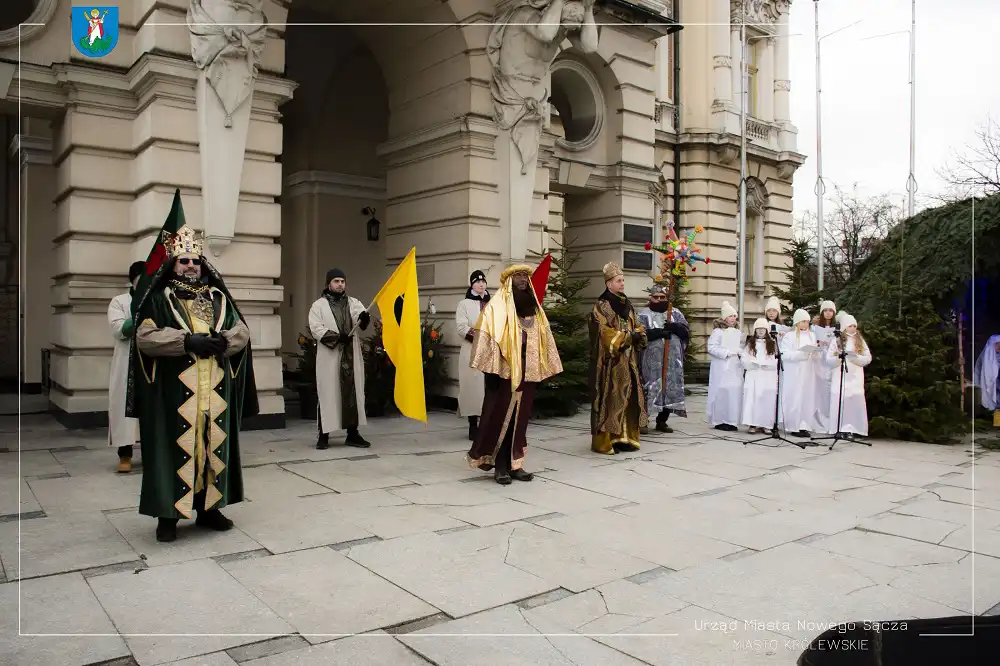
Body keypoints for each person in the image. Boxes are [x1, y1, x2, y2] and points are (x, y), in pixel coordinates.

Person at [128, 226, 257, 543]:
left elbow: (241, 330)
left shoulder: (218, 298)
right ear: (173, 264)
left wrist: (224, 342)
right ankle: (168, 516)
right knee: (175, 448)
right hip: (174, 394)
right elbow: (145, 338)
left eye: (195, 262)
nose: (190, 266)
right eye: (184, 261)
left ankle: (209, 509)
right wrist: (186, 342)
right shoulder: (159, 300)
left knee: (212, 446)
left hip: (214, 391)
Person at [467, 263, 562, 484]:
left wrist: (542, 368)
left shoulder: (534, 308)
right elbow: (486, 337)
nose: (523, 279)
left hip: (527, 374)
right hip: (504, 375)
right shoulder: (496, 308)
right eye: (518, 275)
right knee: (501, 419)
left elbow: (544, 338)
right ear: (509, 280)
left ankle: (515, 464)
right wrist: (492, 371)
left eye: (525, 276)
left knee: (520, 421)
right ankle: (499, 465)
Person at [309, 269, 372, 450]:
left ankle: (353, 434)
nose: (340, 284)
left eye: (342, 281)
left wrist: (363, 318)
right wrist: (337, 337)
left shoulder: (353, 303)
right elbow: (316, 328)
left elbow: (359, 318)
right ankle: (323, 435)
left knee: (353, 391)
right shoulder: (319, 306)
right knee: (328, 393)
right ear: (328, 283)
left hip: (351, 355)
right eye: (336, 281)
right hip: (330, 356)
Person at [589, 262, 647, 454]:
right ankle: (606, 441)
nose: (622, 283)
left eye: (623, 280)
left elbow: (637, 324)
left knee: (629, 399)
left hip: (629, 361)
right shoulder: (602, 305)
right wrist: (627, 337)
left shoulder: (627, 304)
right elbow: (603, 332)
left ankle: (625, 437)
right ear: (608, 284)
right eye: (618, 281)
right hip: (610, 363)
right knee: (610, 401)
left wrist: (639, 334)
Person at [108, 261, 145, 473]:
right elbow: (119, 329)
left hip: (153, 361)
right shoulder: (120, 301)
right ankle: (125, 454)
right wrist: (139, 313)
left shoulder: (159, 300)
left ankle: (152, 454)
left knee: (151, 411)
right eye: (141, 280)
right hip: (127, 363)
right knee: (124, 410)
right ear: (132, 281)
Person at [638, 285, 690, 434]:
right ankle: (643, 420)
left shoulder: (675, 313)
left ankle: (662, 421)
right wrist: (659, 332)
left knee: (668, 387)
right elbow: (639, 334)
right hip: (651, 362)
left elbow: (686, 332)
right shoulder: (643, 314)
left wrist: (675, 327)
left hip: (672, 361)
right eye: (656, 297)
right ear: (651, 298)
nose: (660, 300)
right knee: (650, 387)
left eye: (662, 297)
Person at [824, 312, 872, 440]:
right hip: (840, 376)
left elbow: (868, 357)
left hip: (855, 377)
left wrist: (855, 358)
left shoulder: (860, 341)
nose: (853, 328)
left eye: (854, 326)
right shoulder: (836, 341)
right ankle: (839, 428)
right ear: (845, 327)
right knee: (840, 401)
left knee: (853, 402)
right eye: (850, 326)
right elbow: (829, 359)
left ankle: (853, 428)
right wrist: (839, 358)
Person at [456, 270, 491, 441]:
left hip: (490, 352)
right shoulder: (464, 304)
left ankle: (488, 425)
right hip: (471, 349)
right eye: (477, 282)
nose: (481, 284)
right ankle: (473, 425)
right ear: (472, 285)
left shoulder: (492, 303)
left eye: (483, 281)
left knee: (489, 388)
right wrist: (480, 336)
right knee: (472, 388)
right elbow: (461, 327)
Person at [780, 309, 819, 438]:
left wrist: (815, 353)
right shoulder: (789, 336)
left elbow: (814, 351)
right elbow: (784, 354)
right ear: (797, 322)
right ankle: (793, 425)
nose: (805, 324)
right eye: (803, 321)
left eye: (807, 321)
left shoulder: (812, 335)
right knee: (795, 398)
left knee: (807, 398)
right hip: (794, 372)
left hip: (808, 371)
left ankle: (804, 425)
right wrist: (800, 355)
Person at [707, 301, 743, 431]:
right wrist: (727, 353)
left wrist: (741, 353)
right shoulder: (718, 332)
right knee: (721, 392)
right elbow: (711, 348)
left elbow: (741, 346)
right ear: (724, 317)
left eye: (734, 316)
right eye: (730, 316)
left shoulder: (738, 332)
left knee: (734, 392)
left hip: (735, 367)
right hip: (721, 367)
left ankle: (732, 419)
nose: (733, 318)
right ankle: (720, 420)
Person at [741, 318, 779, 434]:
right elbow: (744, 358)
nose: (761, 331)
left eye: (763, 329)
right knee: (753, 399)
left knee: (766, 399)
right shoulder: (750, 344)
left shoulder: (772, 343)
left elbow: (776, 359)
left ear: (767, 330)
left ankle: (766, 424)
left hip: (767, 375)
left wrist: (769, 365)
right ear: (755, 330)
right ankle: (753, 424)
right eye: (758, 329)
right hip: (754, 374)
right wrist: (752, 364)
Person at [812, 300, 838, 430]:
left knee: (829, 389)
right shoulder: (814, 328)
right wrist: (818, 343)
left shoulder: (837, 328)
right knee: (818, 389)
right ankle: (817, 421)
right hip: (819, 360)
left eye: (830, 310)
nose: (828, 313)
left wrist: (832, 344)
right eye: (825, 310)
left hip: (831, 361)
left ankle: (830, 421)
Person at [973, 335, 1000, 427]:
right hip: (991, 383)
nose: (999, 346)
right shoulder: (987, 354)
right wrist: (977, 381)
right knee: (995, 402)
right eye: (997, 344)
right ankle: (997, 423)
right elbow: (979, 368)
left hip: (998, 381)